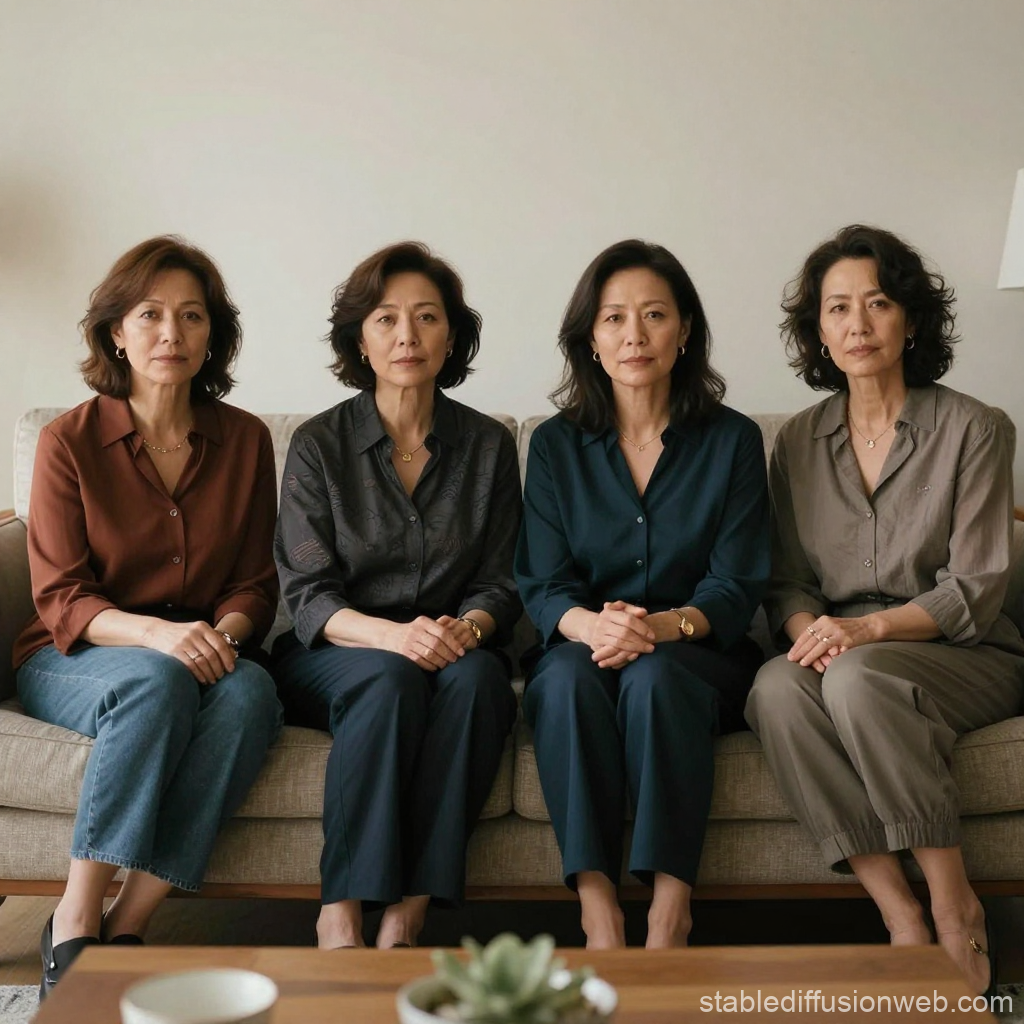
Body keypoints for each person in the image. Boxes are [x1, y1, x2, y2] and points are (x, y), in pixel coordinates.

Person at [745, 224, 1024, 995]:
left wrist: (866, 631)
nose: (858, 324)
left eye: (878, 303)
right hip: (840, 648)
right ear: (818, 332)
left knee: (858, 678)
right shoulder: (797, 442)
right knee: (773, 688)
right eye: (837, 308)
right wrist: (812, 637)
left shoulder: (976, 427)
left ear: (911, 320)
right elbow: (787, 583)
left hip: (961, 650)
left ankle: (955, 904)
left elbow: (976, 587)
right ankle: (899, 912)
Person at [15, 236, 283, 997]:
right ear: (116, 334)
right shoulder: (68, 441)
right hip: (76, 653)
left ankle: (129, 922)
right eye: (151, 315)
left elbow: (254, 583)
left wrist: (219, 639)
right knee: (156, 682)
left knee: (252, 693)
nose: (172, 333)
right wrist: (162, 638)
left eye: (192, 316)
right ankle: (74, 915)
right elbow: (62, 595)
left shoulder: (246, 440)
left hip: (202, 647)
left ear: (212, 335)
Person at [514, 239, 769, 949]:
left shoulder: (734, 441)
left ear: (684, 330)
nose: (634, 335)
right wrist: (595, 628)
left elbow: (736, 583)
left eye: (654, 315)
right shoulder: (555, 445)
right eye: (614, 318)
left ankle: (669, 910)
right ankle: (597, 908)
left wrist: (656, 628)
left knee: (656, 680)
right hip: (583, 645)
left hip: (697, 651)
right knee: (565, 682)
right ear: (590, 340)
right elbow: (543, 582)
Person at [273, 241, 521, 949]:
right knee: (389, 680)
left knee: (482, 685)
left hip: (452, 645)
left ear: (452, 336)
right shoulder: (318, 445)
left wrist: (468, 630)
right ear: (361, 340)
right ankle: (341, 911)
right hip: (340, 650)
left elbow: (502, 581)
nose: (407, 335)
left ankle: (409, 913)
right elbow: (309, 594)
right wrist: (394, 638)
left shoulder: (488, 446)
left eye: (426, 317)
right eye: (386, 319)